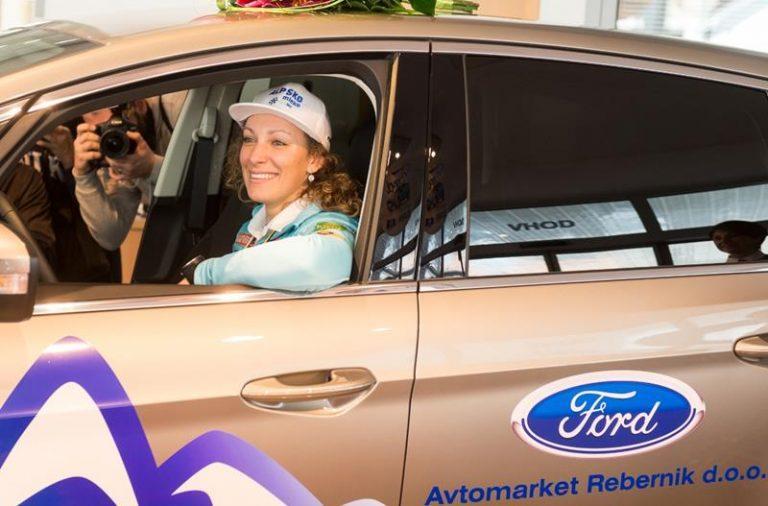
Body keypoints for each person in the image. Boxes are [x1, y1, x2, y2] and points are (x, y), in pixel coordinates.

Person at [183, 83, 360, 292]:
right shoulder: (253, 225)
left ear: (314, 159)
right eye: (249, 139)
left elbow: (323, 262)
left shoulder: (325, 222)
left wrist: (205, 274)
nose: (255, 157)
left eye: (278, 142)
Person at [72, 100, 164, 252]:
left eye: (96, 111)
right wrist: (84, 176)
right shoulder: (111, 149)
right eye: (91, 113)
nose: (112, 127)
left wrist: (151, 166)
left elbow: (201, 190)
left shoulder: (173, 115)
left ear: (138, 105)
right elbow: (111, 237)